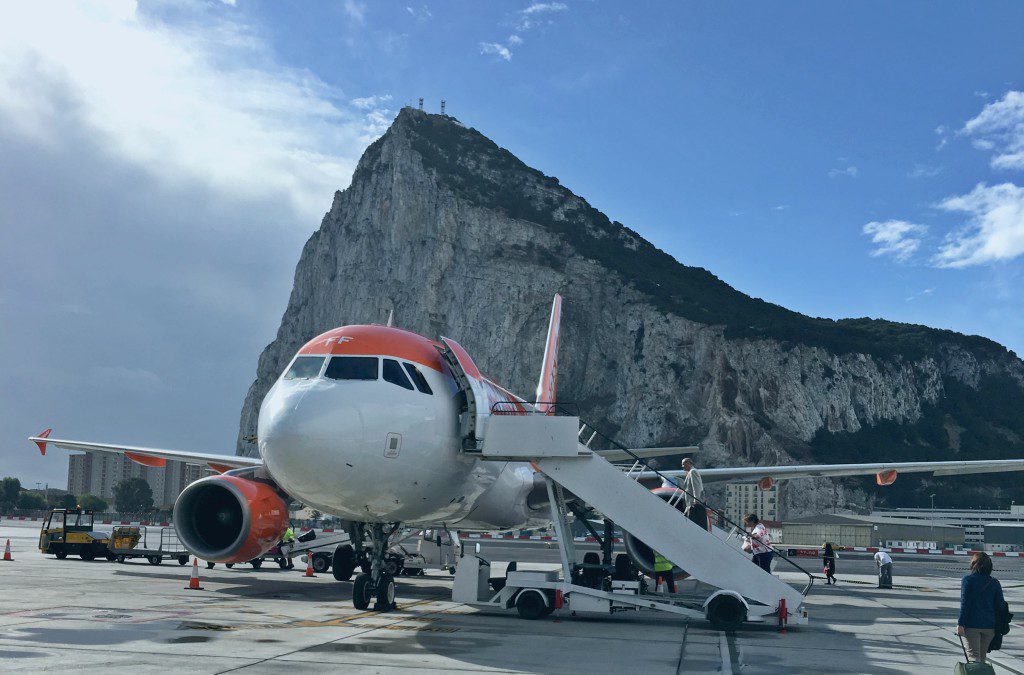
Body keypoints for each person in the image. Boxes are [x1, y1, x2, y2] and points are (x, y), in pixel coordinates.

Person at [957, 551, 1004, 663]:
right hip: (989, 627)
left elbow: (965, 603)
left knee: (974, 657)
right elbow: (1001, 605)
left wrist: (960, 623)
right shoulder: (994, 582)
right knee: (982, 658)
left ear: (974, 564)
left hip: (972, 625)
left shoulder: (968, 580)